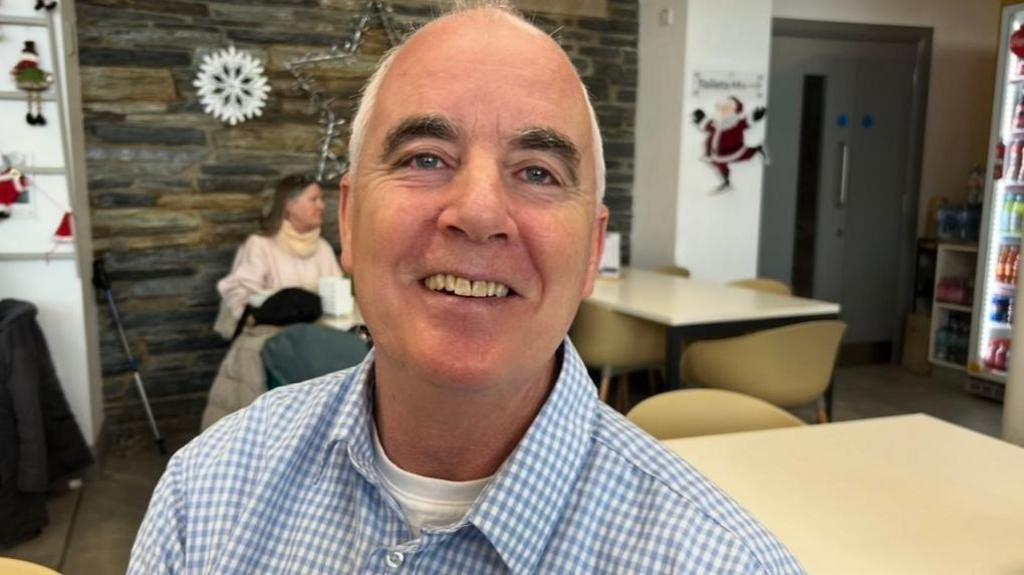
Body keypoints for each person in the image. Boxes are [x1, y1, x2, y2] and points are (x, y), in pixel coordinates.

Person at [129, 4, 804, 574]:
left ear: (593, 248)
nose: (479, 213)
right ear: (350, 221)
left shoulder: (723, 559)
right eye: (426, 158)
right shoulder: (204, 496)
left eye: (538, 171)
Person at [211, 174, 341, 339]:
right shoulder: (260, 245)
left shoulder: (323, 248)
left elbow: (336, 295)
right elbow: (240, 293)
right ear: (289, 205)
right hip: (270, 338)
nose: (322, 206)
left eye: (321, 199)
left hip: (317, 336)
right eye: (314, 199)